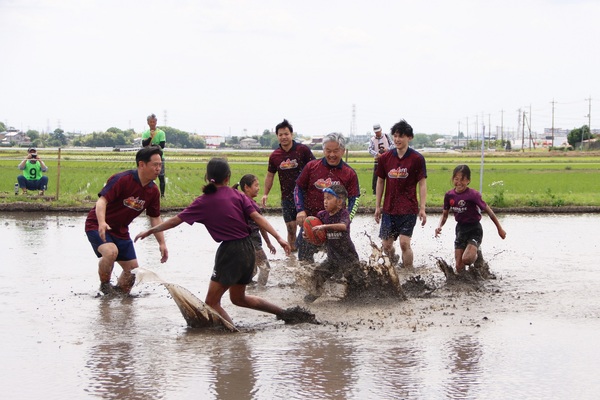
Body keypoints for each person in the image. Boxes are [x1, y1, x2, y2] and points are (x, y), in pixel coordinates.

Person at [134, 158, 305, 326]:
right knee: (239, 298)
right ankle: (286, 314)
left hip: (231, 251)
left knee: (212, 302)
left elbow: (175, 221)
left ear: (207, 177)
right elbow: (258, 218)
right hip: (248, 248)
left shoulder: (203, 201)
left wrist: (151, 230)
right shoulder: (237, 194)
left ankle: (232, 335)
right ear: (227, 177)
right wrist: (279, 238)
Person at [85, 146, 168, 295]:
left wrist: (162, 243)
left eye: (160, 165)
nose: (158, 169)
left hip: (121, 231)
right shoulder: (122, 179)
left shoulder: (153, 191)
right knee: (111, 252)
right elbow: (102, 201)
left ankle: (117, 296)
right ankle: (105, 286)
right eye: (155, 165)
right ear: (142, 164)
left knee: (132, 272)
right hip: (97, 225)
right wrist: (102, 222)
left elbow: (155, 217)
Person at [295, 132, 360, 262]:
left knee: (343, 263)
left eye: (336, 151)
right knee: (304, 260)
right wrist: (300, 209)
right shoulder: (311, 167)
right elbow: (298, 188)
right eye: (328, 151)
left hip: (335, 225)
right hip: (312, 221)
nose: (332, 155)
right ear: (323, 150)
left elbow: (355, 199)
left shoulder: (349, 173)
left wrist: (346, 220)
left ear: (342, 151)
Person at [374, 119, 427, 269]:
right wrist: (378, 206)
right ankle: (394, 261)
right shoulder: (385, 158)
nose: (397, 139)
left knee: (404, 243)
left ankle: (408, 272)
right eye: (395, 136)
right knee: (386, 246)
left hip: (408, 209)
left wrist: (422, 208)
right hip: (389, 209)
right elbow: (380, 181)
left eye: (401, 136)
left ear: (409, 137)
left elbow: (422, 183)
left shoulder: (417, 159)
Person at [435, 164, 507, 274]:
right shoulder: (449, 195)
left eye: (462, 180)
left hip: (474, 229)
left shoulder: (473, 195)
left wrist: (499, 229)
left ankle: (477, 253)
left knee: (467, 259)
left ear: (468, 180)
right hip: (460, 229)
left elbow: (489, 211)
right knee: (459, 268)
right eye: (456, 179)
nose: (459, 183)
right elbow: (444, 215)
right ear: (453, 179)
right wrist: (439, 226)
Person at [261, 119, 315, 252]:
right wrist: (265, 193)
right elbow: (270, 176)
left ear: (292, 134)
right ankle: (291, 259)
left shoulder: (303, 150)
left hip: (304, 196)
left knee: (307, 227)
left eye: (286, 134)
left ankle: (306, 254)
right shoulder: (275, 156)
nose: (284, 137)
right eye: (280, 135)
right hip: (287, 197)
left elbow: (315, 168)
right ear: (277, 136)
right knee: (291, 229)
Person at [303, 184, 360, 303]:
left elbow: (343, 226)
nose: (325, 201)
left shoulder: (344, 214)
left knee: (357, 287)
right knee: (318, 274)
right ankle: (313, 295)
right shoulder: (321, 215)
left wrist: (324, 226)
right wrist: (309, 236)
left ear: (339, 202)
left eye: (329, 198)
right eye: (324, 198)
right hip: (332, 258)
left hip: (348, 258)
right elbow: (320, 238)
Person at [233, 174, 276, 286]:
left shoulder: (242, 202)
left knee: (252, 271)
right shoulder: (251, 205)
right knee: (265, 268)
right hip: (252, 241)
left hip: (245, 240)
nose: (258, 188)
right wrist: (269, 243)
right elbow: (262, 225)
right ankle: (260, 293)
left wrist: (268, 243)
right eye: (256, 185)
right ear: (246, 187)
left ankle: (245, 290)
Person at [141, 113, 167, 197]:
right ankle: (148, 194)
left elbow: (162, 146)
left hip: (159, 158)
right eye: (150, 122)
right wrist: (150, 137)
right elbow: (144, 144)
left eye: (154, 122)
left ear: (156, 122)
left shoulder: (161, 133)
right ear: (148, 122)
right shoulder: (145, 133)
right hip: (149, 158)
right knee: (148, 176)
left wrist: (151, 145)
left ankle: (162, 195)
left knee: (161, 176)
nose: (152, 123)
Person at [367, 123, 393, 195]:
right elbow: (369, 149)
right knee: (376, 176)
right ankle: (375, 192)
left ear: (381, 130)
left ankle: (389, 191)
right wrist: (376, 154)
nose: (377, 133)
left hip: (387, 160)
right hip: (377, 160)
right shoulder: (372, 139)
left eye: (378, 131)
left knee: (389, 175)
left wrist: (387, 149)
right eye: (376, 132)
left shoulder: (387, 136)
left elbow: (392, 145)